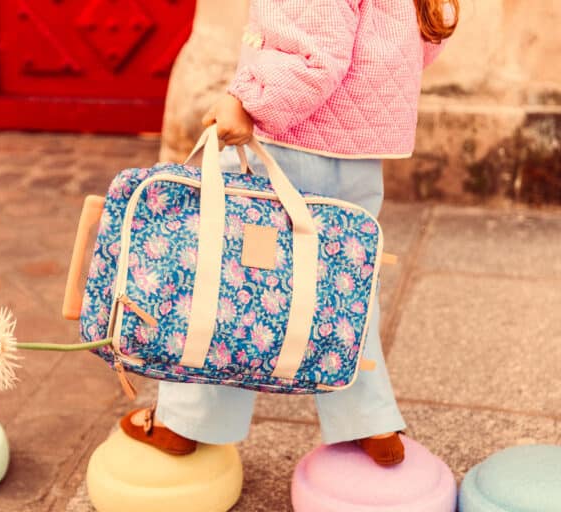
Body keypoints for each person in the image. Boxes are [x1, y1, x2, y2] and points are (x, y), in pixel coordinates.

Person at [120, 0, 458, 466]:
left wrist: (245, 101)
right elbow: (420, 37)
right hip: (359, 153)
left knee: (227, 279)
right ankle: (372, 423)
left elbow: (313, 56)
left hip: (290, 139)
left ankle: (185, 422)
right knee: (343, 287)